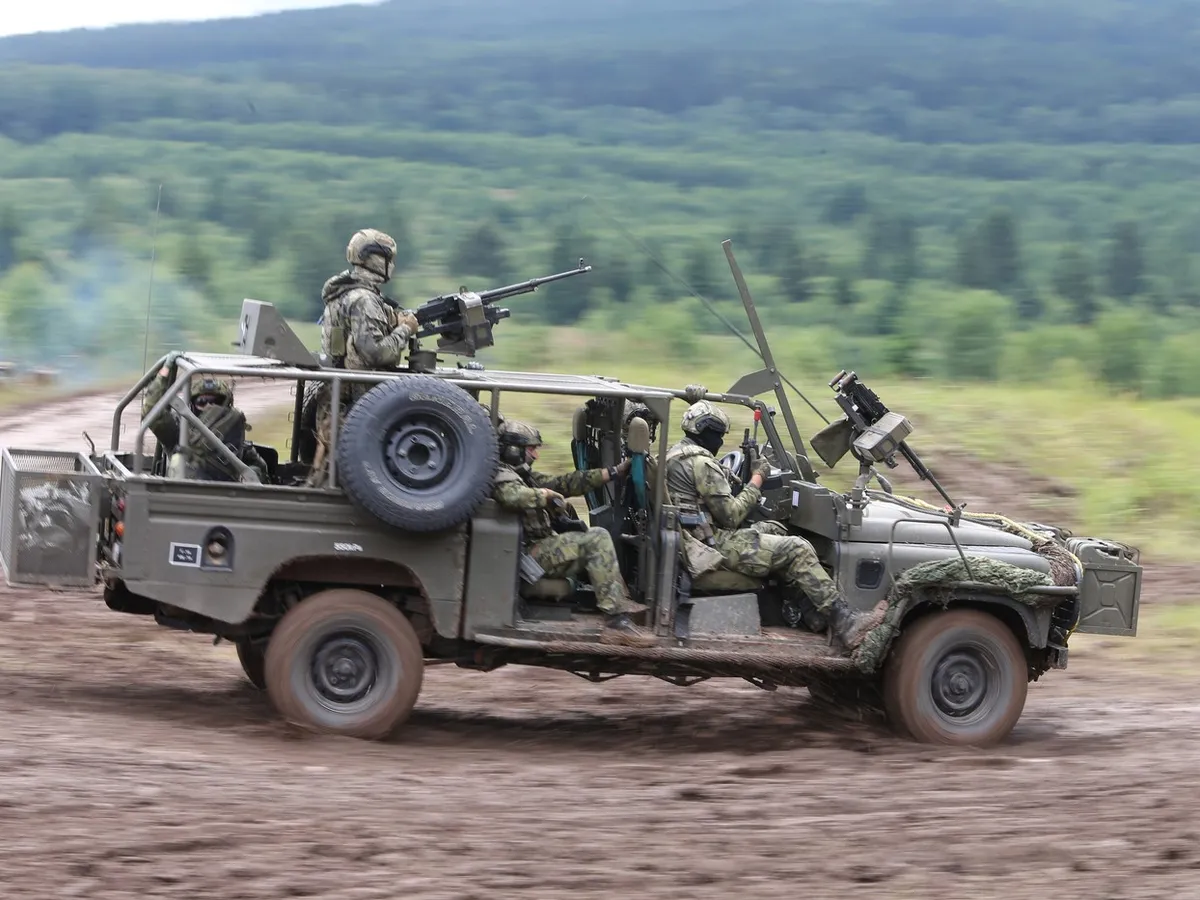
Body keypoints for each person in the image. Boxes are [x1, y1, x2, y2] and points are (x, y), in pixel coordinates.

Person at [663, 398, 885, 652]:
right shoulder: (702, 464)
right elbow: (732, 516)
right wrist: (757, 479)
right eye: (718, 436)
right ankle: (844, 621)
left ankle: (809, 612)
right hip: (709, 546)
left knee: (775, 529)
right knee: (796, 549)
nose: (721, 442)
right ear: (705, 433)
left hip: (696, 538)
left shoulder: (676, 454)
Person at [492, 419, 657, 648]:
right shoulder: (501, 475)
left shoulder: (522, 475)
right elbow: (511, 496)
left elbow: (564, 483)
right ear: (511, 450)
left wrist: (612, 473)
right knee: (597, 539)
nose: (535, 456)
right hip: (529, 554)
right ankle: (615, 624)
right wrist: (545, 496)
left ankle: (618, 601)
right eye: (531, 450)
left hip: (537, 547)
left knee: (590, 531)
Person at [307, 228, 419, 487]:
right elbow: (376, 353)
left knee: (332, 478)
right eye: (390, 258)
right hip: (360, 404)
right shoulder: (363, 299)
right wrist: (405, 329)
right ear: (378, 259)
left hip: (342, 401)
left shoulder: (344, 292)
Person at [142, 352, 267, 483]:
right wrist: (165, 371)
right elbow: (153, 412)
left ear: (227, 405)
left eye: (216, 401)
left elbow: (259, 469)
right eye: (202, 401)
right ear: (192, 406)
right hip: (183, 497)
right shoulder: (179, 434)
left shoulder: (236, 441)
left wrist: (249, 476)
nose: (209, 406)